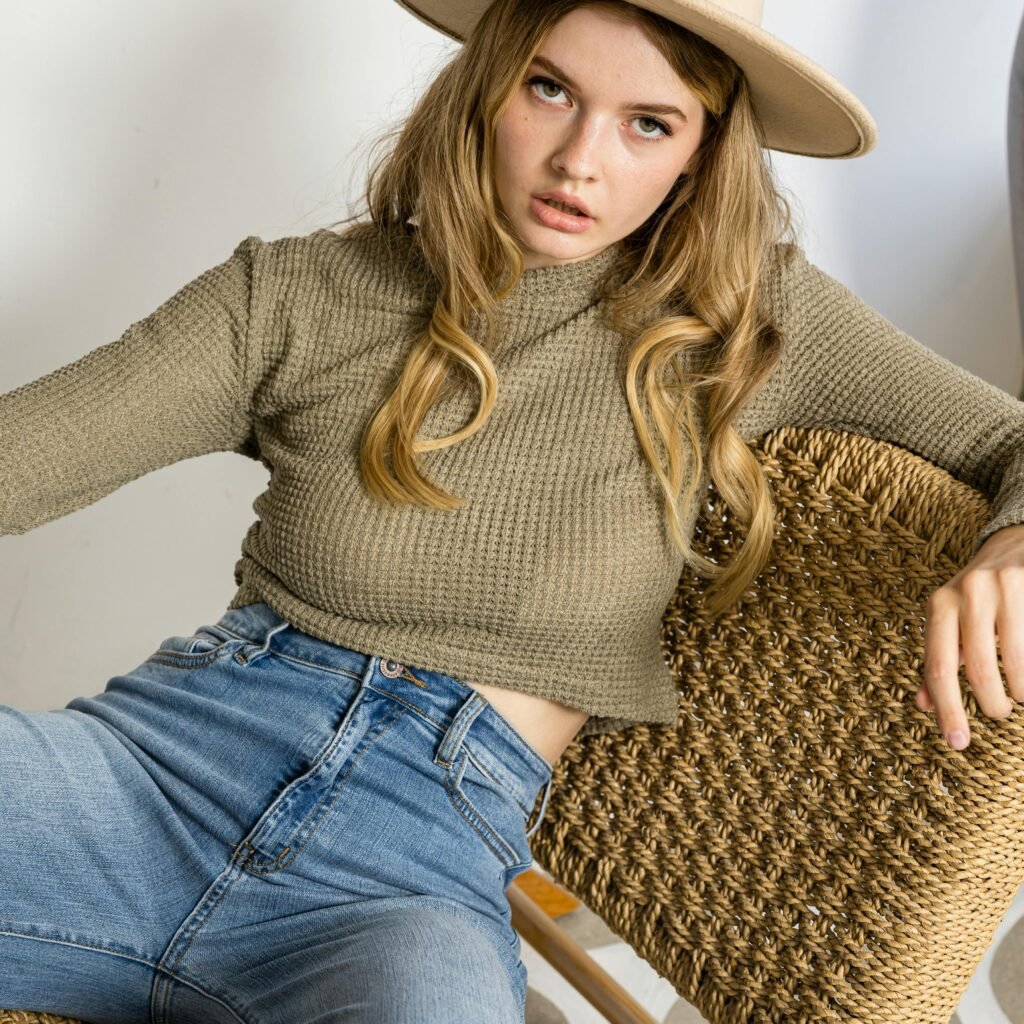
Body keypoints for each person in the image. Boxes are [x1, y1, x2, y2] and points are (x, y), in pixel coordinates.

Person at [2, 0, 1024, 1020]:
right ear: (487, 85)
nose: (580, 159)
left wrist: (1008, 546)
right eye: (550, 89)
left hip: (403, 884)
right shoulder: (295, 294)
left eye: (647, 123)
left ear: (699, 154)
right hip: (146, 783)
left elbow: (1008, 438)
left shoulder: (750, 318)